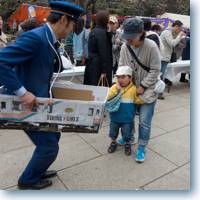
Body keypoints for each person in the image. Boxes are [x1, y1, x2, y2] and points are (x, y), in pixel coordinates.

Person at [0, 1, 83, 190]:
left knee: (53, 136)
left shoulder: (48, 38)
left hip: (41, 102)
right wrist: (22, 93)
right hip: (26, 104)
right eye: (73, 25)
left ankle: (38, 169)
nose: (72, 31)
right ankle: (27, 181)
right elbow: (1, 62)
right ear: (63, 20)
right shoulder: (36, 38)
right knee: (49, 148)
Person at [118, 17, 161, 163]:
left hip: (147, 90)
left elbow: (156, 69)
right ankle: (128, 137)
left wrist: (143, 85)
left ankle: (142, 146)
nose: (129, 41)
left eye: (132, 38)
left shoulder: (151, 46)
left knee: (144, 121)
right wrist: (121, 83)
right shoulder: (125, 46)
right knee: (128, 117)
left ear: (141, 33)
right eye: (127, 38)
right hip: (130, 89)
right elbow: (121, 67)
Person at [106, 66, 143, 156]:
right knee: (113, 133)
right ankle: (113, 143)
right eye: (118, 77)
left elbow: (137, 100)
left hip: (127, 118)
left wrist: (144, 99)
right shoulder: (114, 87)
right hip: (115, 117)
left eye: (123, 77)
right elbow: (108, 96)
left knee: (127, 134)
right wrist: (116, 89)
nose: (120, 80)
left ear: (130, 78)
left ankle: (127, 144)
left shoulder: (133, 89)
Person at [83, 10, 113, 86]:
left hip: (93, 64)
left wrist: (109, 32)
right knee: (101, 91)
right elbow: (103, 52)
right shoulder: (101, 33)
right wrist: (104, 70)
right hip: (99, 67)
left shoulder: (94, 31)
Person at [159, 20, 186, 98]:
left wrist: (179, 37)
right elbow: (172, 43)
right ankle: (159, 93)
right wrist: (179, 36)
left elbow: (176, 44)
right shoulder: (167, 32)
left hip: (165, 57)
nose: (180, 30)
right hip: (163, 57)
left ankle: (159, 92)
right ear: (176, 26)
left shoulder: (170, 33)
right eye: (180, 29)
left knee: (161, 74)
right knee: (161, 75)